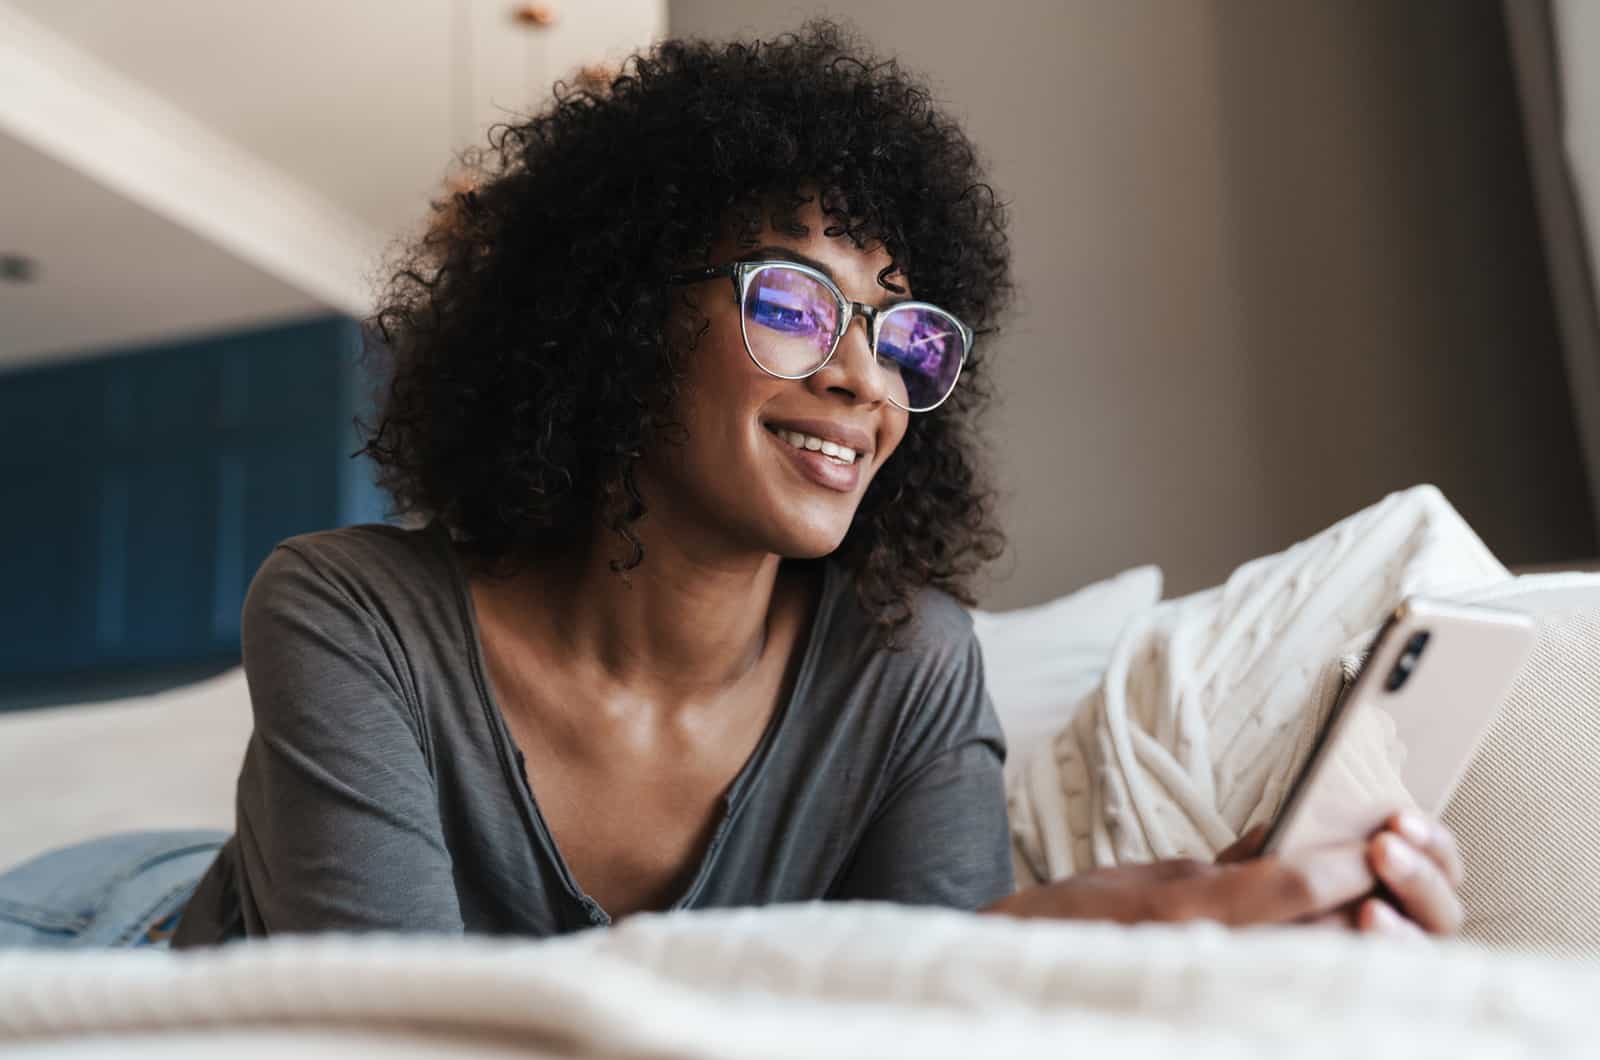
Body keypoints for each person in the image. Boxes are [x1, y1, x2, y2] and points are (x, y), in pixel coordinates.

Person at [0, 21, 1461, 951]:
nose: (864, 377)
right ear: (617, 323)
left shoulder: (906, 664)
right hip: (97, 927)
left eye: (900, 328)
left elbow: (923, 987)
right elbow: (389, 1031)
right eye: (791, 301)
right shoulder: (346, 609)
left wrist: (1162, 917)